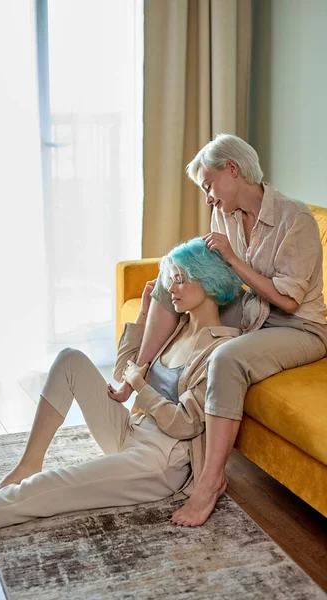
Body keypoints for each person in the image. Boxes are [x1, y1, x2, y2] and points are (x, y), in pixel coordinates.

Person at [0, 238, 242, 533]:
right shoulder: (178, 327)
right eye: (170, 278)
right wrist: (144, 314)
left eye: (180, 279)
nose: (170, 288)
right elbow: (123, 372)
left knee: (48, 488)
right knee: (70, 359)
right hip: (132, 430)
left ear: (208, 282)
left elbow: (186, 424)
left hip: (160, 461)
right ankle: (28, 463)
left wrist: (139, 386)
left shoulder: (220, 350)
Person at [109, 133, 327, 528]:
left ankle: (210, 483)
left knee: (226, 358)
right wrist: (185, 279)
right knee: (167, 280)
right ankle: (135, 375)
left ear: (233, 170)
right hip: (251, 309)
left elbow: (289, 301)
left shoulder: (296, 220)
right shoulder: (225, 214)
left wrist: (231, 258)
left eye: (209, 185)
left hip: (298, 326)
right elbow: (223, 278)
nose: (208, 196)